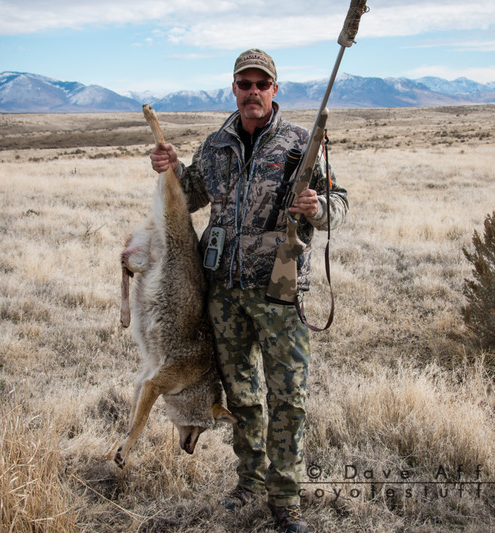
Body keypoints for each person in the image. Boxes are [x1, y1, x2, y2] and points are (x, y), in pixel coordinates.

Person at [150, 48, 348, 533]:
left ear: (274, 90)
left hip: (280, 293)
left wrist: (317, 206)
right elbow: (192, 195)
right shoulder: (216, 145)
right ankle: (249, 481)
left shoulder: (302, 144)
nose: (253, 92)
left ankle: (285, 499)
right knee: (241, 397)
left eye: (262, 84)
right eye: (245, 84)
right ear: (234, 89)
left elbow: (340, 205)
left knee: (289, 397)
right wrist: (171, 168)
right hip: (223, 293)